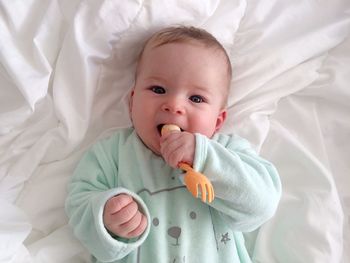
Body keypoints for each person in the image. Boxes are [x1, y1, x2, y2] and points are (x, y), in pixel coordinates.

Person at [65, 26, 281, 263]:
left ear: (217, 121)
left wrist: (204, 158)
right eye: (158, 89)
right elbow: (78, 204)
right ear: (132, 102)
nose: (174, 105)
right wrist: (107, 216)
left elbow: (262, 204)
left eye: (196, 98)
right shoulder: (112, 153)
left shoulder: (228, 153)